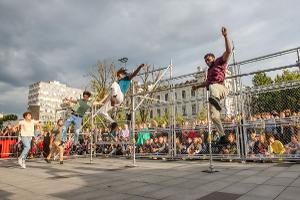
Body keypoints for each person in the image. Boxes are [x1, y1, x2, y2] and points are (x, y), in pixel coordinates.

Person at [192, 27, 232, 136]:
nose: (207, 62)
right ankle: (223, 136)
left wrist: (225, 36)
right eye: (205, 61)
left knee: (213, 86)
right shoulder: (209, 71)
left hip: (221, 89)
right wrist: (197, 86)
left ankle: (215, 99)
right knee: (214, 116)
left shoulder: (219, 62)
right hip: (214, 94)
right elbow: (206, 83)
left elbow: (229, 51)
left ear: (213, 58)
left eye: (208, 60)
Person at [97, 64, 145, 128]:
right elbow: (107, 95)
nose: (118, 77)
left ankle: (113, 98)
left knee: (114, 84)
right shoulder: (118, 82)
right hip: (115, 101)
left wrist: (139, 67)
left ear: (123, 75)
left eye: (119, 76)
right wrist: (101, 102)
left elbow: (134, 74)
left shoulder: (127, 78)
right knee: (101, 111)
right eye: (118, 76)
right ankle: (113, 122)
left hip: (120, 96)